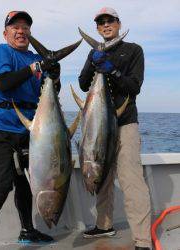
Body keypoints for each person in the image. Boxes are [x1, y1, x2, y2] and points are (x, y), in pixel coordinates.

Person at [0, 10, 60, 250]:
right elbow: (4, 83)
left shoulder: (35, 58)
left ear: (30, 33)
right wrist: (35, 68)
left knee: (27, 186)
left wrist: (54, 75)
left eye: (25, 27)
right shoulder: (1, 52)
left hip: (31, 133)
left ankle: (27, 231)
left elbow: (49, 94)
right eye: (15, 27)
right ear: (6, 32)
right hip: (1, 132)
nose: (21, 31)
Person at [78, 7, 152, 250]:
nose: (106, 25)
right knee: (101, 177)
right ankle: (104, 224)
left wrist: (112, 69)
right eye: (101, 22)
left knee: (132, 180)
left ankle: (142, 239)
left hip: (124, 124)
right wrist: (94, 63)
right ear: (97, 28)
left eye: (110, 21)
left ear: (119, 23)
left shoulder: (133, 50)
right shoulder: (93, 52)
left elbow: (134, 86)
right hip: (97, 125)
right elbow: (82, 84)